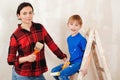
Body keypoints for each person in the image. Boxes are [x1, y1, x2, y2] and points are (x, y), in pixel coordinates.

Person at [7, 2, 67, 80]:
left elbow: (51, 44)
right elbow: (10, 60)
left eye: (30, 13)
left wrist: (63, 57)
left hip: (38, 73)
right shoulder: (15, 35)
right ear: (19, 16)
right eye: (24, 13)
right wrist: (27, 58)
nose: (28, 16)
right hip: (22, 75)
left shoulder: (40, 28)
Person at [51, 14, 89, 80]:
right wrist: (67, 61)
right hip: (71, 62)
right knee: (54, 72)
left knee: (62, 74)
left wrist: (85, 67)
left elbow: (88, 54)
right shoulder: (69, 39)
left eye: (76, 25)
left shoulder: (82, 39)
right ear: (68, 25)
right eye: (71, 24)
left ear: (80, 26)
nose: (73, 27)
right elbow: (72, 52)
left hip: (78, 63)